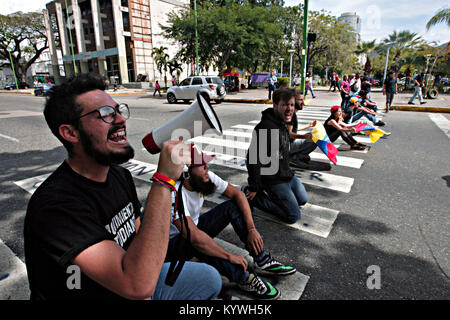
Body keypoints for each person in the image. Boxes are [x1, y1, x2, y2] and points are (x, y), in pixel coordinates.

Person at [23, 73, 222, 300]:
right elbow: (137, 286)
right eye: (105, 114)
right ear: (71, 133)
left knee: (208, 279)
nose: (120, 120)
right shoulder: (55, 206)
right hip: (114, 289)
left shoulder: (120, 176)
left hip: (132, 280)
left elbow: (140, 237)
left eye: (119, 110)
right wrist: (164, 180)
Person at [166, 145, 296, 300]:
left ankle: (262, 260)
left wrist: (251, 229)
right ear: (188, 171)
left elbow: (238, 194)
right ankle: (244, 278)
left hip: (192, 231)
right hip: (170, 247)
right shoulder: (174, 193)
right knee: (200, 243)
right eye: (201, 165)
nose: (207, 167)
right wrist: (229, 256)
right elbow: (195, 237)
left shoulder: (204, 177)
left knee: (232, 207)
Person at [245, 87, 309, 224]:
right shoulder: (266, 127)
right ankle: (255, 197)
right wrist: (253, 186)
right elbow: (253, 159)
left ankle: (277, 196)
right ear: (275, 105)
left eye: (291, 105)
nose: (289, 109)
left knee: (303, 199)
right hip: (273, 179)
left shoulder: (283, 123)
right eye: (285, 105)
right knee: (293, 216)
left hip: (286, 175)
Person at [288, 91, 331, 171]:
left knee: (313, 135)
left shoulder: (292, 113)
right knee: (316, 137)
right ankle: (293, 158)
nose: (303, 102)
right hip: (287, 146)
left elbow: (292, 129)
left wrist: (309, 125)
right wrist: (304, 136)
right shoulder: (291, 114)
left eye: (303, 100)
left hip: (289, 144)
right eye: (300, 100)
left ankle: (298, 155)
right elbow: (288, 133)